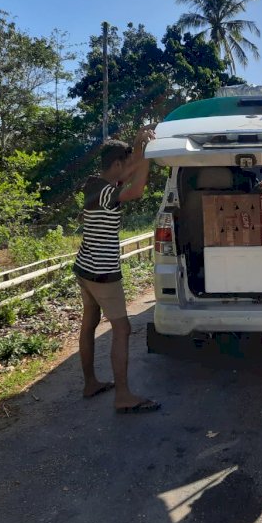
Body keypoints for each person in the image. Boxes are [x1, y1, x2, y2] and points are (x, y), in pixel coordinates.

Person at [73, 125, 161, 414]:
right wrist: (145, 155)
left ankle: (90, 383)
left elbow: (129, 172)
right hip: (102, 271)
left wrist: (137, 148)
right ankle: (123, 395)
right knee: (122, 329)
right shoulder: (108, 192)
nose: (131, 169)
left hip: (85, 267)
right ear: (116, 165)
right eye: (127, 165)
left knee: (90, 321)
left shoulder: (93, 184)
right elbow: (135, 189)